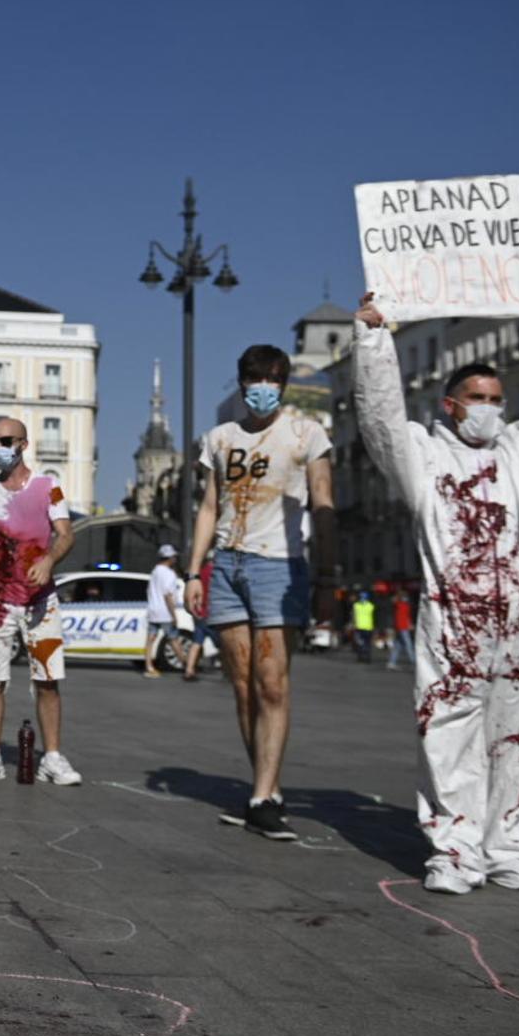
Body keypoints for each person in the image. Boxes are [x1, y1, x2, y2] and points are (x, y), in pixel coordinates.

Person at [352, 286, 519, 894]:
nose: (489, 407)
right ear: (451, 404)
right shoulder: (424, 456)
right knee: (449, 732)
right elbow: (380, 419)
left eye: (497, 398)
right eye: (477, 398)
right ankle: (454, 849)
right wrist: (372, 341)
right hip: (453, 631)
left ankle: (507, 845)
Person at [182, 342, 335, 843]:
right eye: (254, 379)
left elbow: (324, 503)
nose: (263, 388)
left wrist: (328, 577)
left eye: (272, 379)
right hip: (226, 565)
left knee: (272, 683)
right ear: (242, 383)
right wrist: (193, 571)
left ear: (283, 386)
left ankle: (263, 797)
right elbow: (209, 506)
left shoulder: (307, 434)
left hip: (279, 567)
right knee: (244, 683)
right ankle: (263, 790)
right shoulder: (220, 438)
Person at [0, 418, 81, 786]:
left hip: (40, 602)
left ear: (24, 444)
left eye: (7, 440)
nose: (0, 446)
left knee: (48, 678)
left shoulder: (50, 487)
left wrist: (48, 560)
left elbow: (65, 535)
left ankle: (53, 757)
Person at [145, 543, 185, 679]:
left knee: (150, 639)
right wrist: (174, 615)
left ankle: (149, 666)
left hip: (153, 610)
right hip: (165, 612)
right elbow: (168, 595)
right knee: (173, 639)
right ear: (170, 558)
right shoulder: (169, 574)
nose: (175, 559)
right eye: (174, 556)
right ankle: (186, 664)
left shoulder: (155, 571)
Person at [388, 590, 417, 673]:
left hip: (402, 627)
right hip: (402, 628)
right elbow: (393, 600)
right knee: (409, 645)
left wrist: (410, 624)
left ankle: (391, 662)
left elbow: (407, 616)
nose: (405, 598)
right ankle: (414, 662)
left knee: (397, 646)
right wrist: (398, 596)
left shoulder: (404, 605)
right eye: (404, 597)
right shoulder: (399, 604)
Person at [351, 591, 377, 664]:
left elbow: (353, 616)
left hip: (359, 627)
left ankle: (361, 657)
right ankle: (368, 657)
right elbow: (375, 617)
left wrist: (353, 624)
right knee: (367, 643)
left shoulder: (356, 605)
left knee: (360, 643)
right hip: (368, 627)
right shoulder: (371, 606)